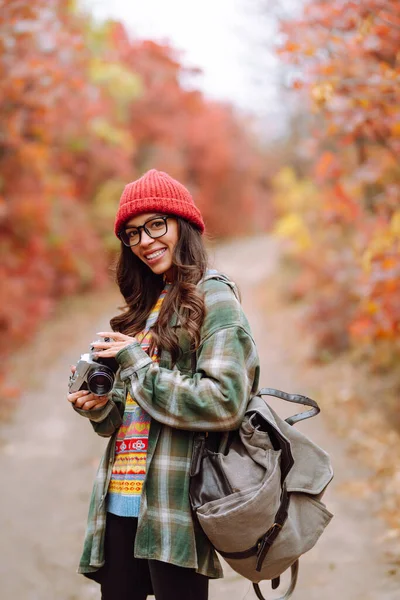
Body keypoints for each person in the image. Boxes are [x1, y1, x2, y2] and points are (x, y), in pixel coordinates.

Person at [68, 169, 260, 600]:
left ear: (183, 225)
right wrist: (99, 406)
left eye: (157, 224)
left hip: (175, 505)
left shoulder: (214, 297)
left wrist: (135, 361)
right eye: (133, 234)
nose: (146, 241)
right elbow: (128, 415)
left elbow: (225, 402)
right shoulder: (147, 307)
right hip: (120, 500)